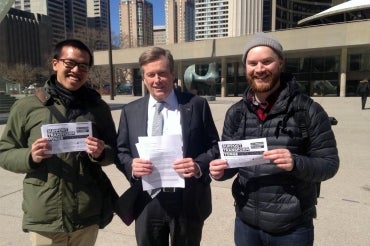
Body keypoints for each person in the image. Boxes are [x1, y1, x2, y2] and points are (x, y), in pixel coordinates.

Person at [209, 32, 339, 246]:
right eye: (252, 63)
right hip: (246, 223)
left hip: (292, 227)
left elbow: (329, 164)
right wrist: (220, 171)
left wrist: (296, 163)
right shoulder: (236, 113)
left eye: (266, 61)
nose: (259, 69)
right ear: (246, 68)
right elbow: (231, 164)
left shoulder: (307, 110)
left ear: (280, 63)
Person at [0, 39, 117, 246]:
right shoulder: (27, 106)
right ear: (55, 63)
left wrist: (100, 152)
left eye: (83, 66)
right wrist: (30, 156)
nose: (76, 70)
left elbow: (114, 150)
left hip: (86, 212)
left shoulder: (97, 108)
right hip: (46, 215)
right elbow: (4, 151)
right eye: (69, 63)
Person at [116, 46, 219, 246]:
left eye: (162, 73)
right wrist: (131, 167)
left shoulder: (197, 105)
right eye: (151, 74)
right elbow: (121, 151)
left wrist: (198, 165)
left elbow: (215, 147)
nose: (157, 80)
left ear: (172, 74)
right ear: (144, 78)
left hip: (187, 199)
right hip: (147, 200)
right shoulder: (130, 111)